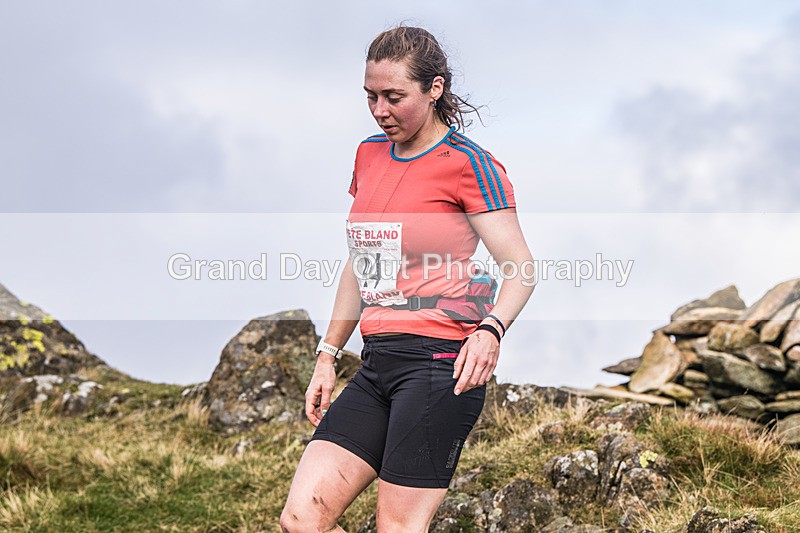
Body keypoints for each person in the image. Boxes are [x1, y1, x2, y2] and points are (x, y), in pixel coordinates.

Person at [281, 25, 535, 532]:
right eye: (371, 97)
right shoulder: (369, 154)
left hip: (439, 367)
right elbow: (361, 261)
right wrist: (328, 355)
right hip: (377, 367)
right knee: (301, 520)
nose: (380, 110)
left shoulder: (470, 165)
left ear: (434, 89)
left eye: (394, 97)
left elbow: (521, 269)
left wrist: (491, 330)